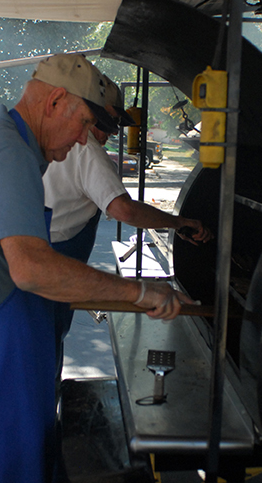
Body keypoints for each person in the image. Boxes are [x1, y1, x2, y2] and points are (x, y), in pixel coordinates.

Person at [0, 53, 193, 483]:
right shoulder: (7, 154)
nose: (84, 139)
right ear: (56, 101)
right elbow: (33, 268)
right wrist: (139, 292)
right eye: (83, 123)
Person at [43, 76, 212, 379]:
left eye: (113, 126)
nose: (108, 134)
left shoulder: (51, 139)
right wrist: (180, 222)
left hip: (46, 257)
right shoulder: (88, 150)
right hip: (51, 260)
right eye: (105, 124)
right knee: (42, 353)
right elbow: (124, 209)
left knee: (43, 351)